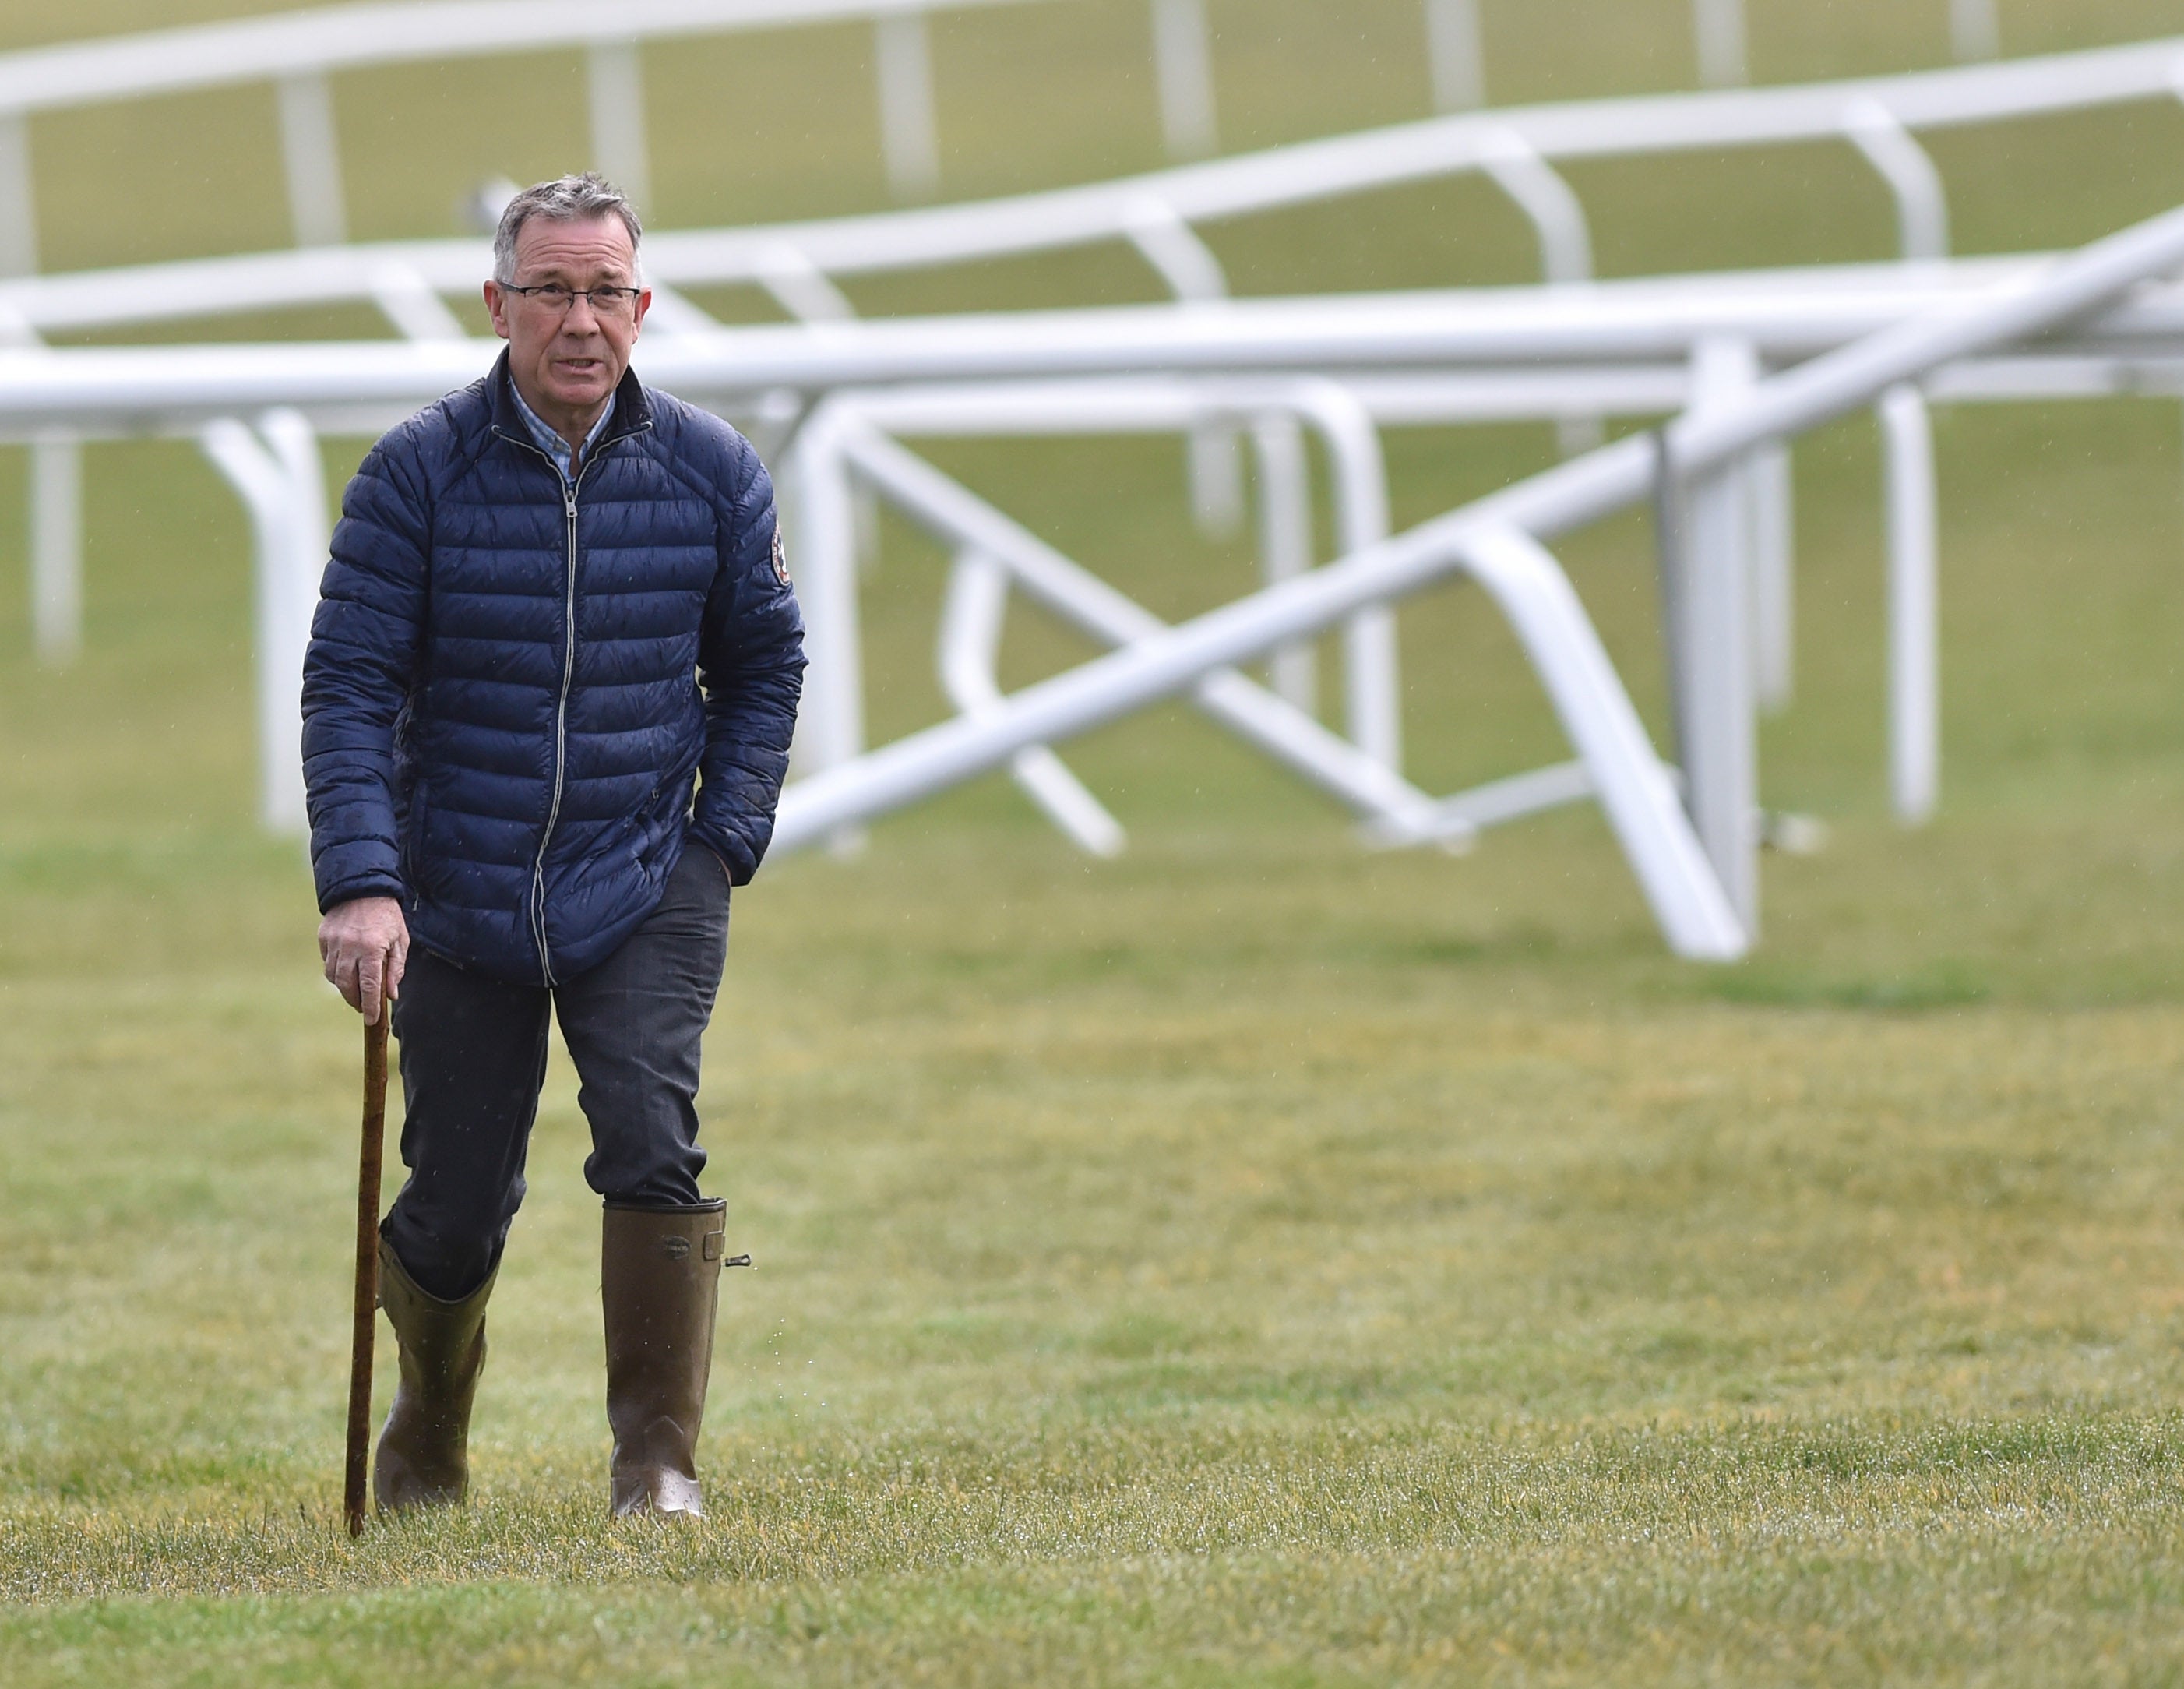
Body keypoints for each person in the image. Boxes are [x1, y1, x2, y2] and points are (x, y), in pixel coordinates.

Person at [301, 173, 805, 1520]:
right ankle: (426, 1433)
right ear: (498, 304)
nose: (579, 320)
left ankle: (658, 1466)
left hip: (649, 876)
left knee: (651, 1136)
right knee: (458, 1197)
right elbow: (346, 685)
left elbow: (765, 666)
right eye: (551, 291)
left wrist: (722, 842)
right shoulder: (415, 472)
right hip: (454, 888)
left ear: (642, 308)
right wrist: (360, 883)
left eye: (606, 293)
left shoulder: (711, 470)